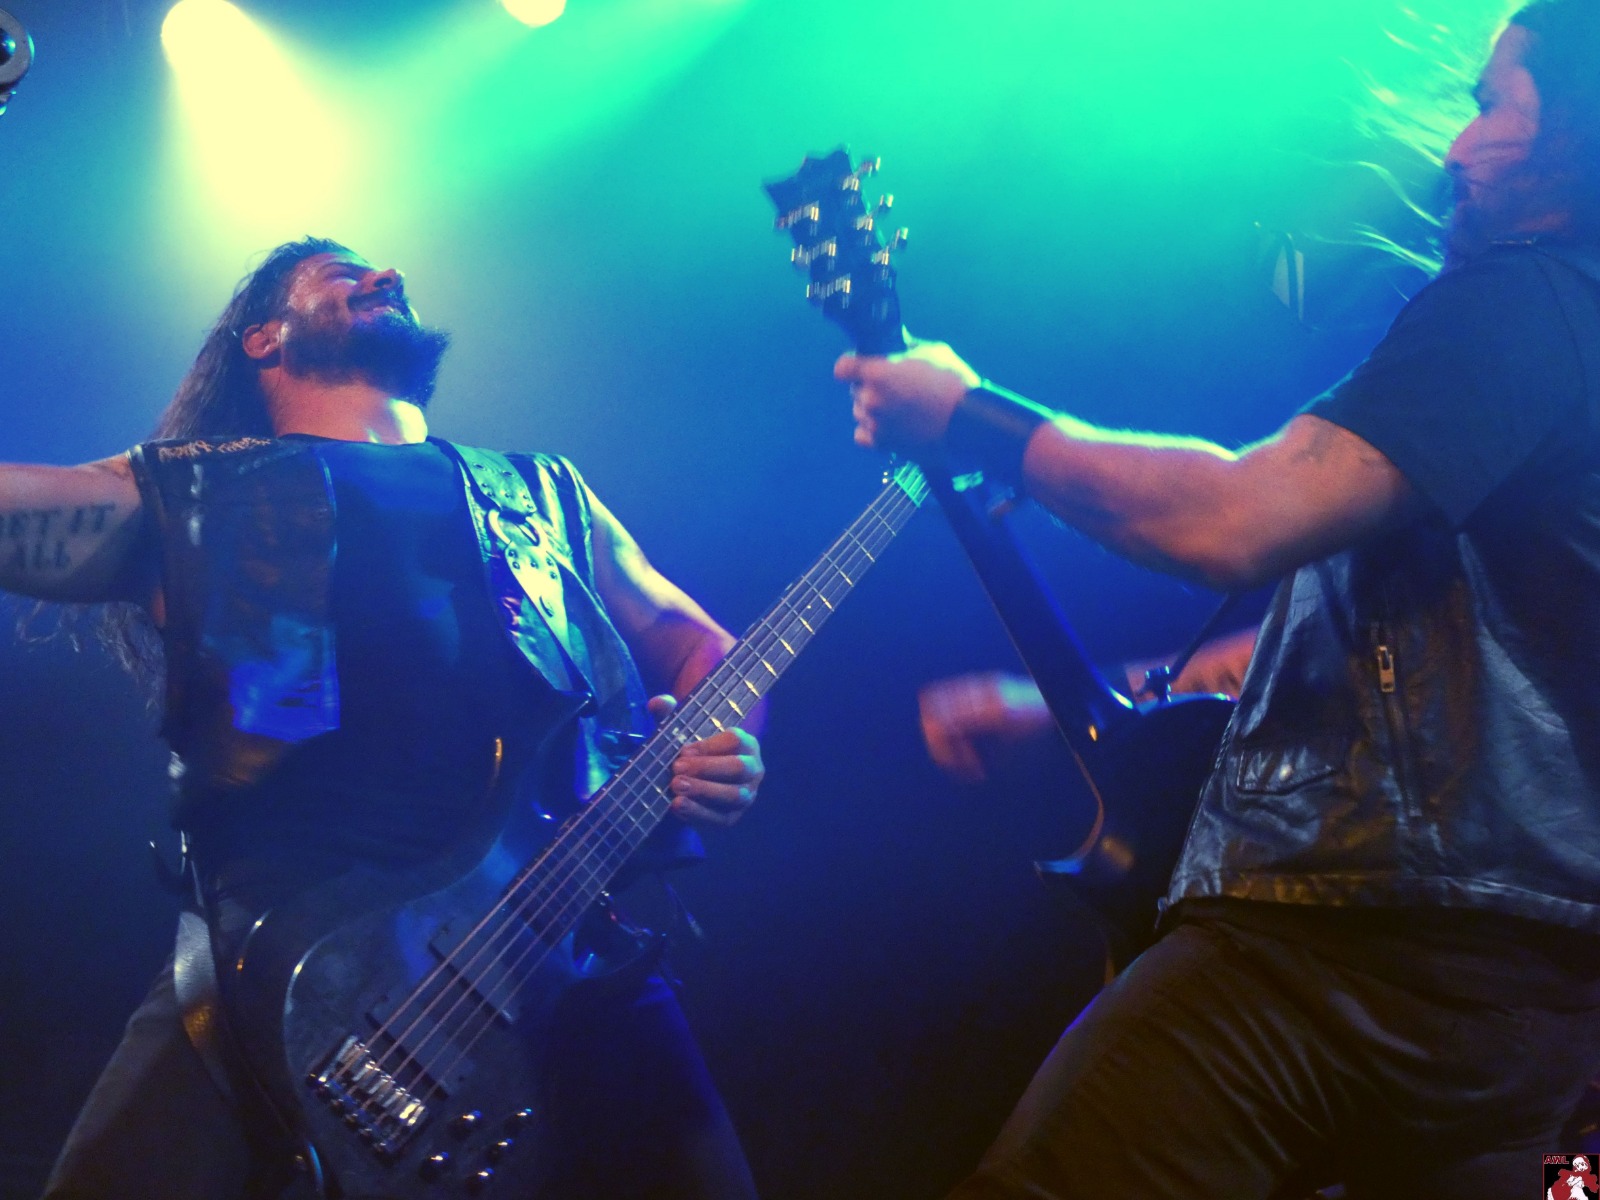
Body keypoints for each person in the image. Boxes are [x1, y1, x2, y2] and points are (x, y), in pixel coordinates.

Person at [835, 2, 1600, 1196]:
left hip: (1341, 944)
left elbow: (1232, 521)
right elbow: (1375, 655)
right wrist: (1063, 705)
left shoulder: (1528, 302)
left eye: (1492, 104)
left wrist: (969, 414)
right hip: (1529, 1008)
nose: (1455, 148)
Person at [4, 236, 765, 1199]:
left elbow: (701, 645)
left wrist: (724, 746)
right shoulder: (200, 491)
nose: (386, 275)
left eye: (384, 271)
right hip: (288, 977)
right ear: (262, 338)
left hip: (561, 950)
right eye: (341, 272)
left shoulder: (539, 492)